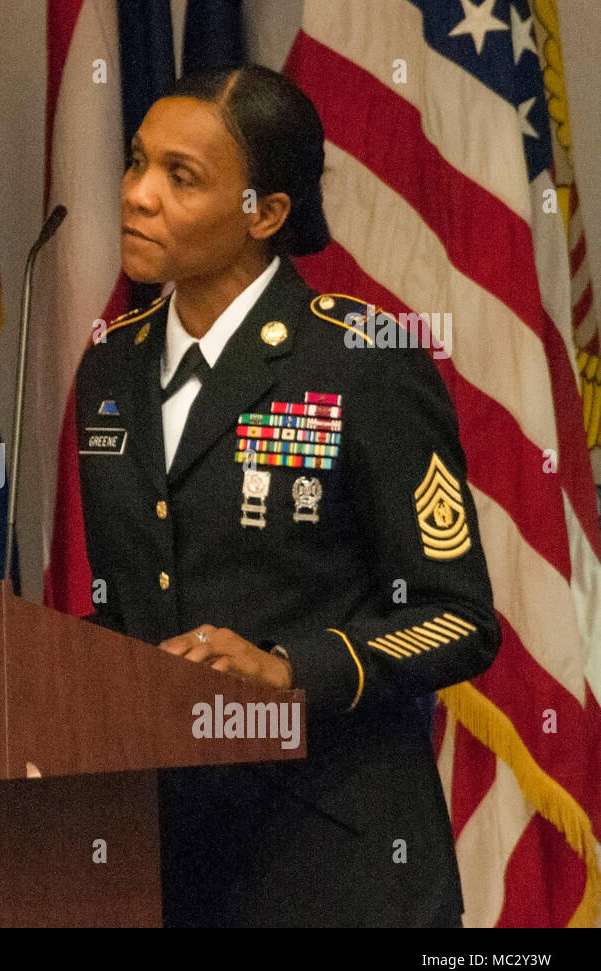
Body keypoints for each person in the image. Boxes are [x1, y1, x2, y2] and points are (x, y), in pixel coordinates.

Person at [75, 64, 501, 927]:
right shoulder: (110, 365)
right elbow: (128, 610)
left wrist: (287, 669)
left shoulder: (361, 360)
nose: (137, 195)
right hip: (163, 860)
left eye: (179, 177)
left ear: (265, 214)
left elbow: (460, 617)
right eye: (135, 162)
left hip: (340, 859)